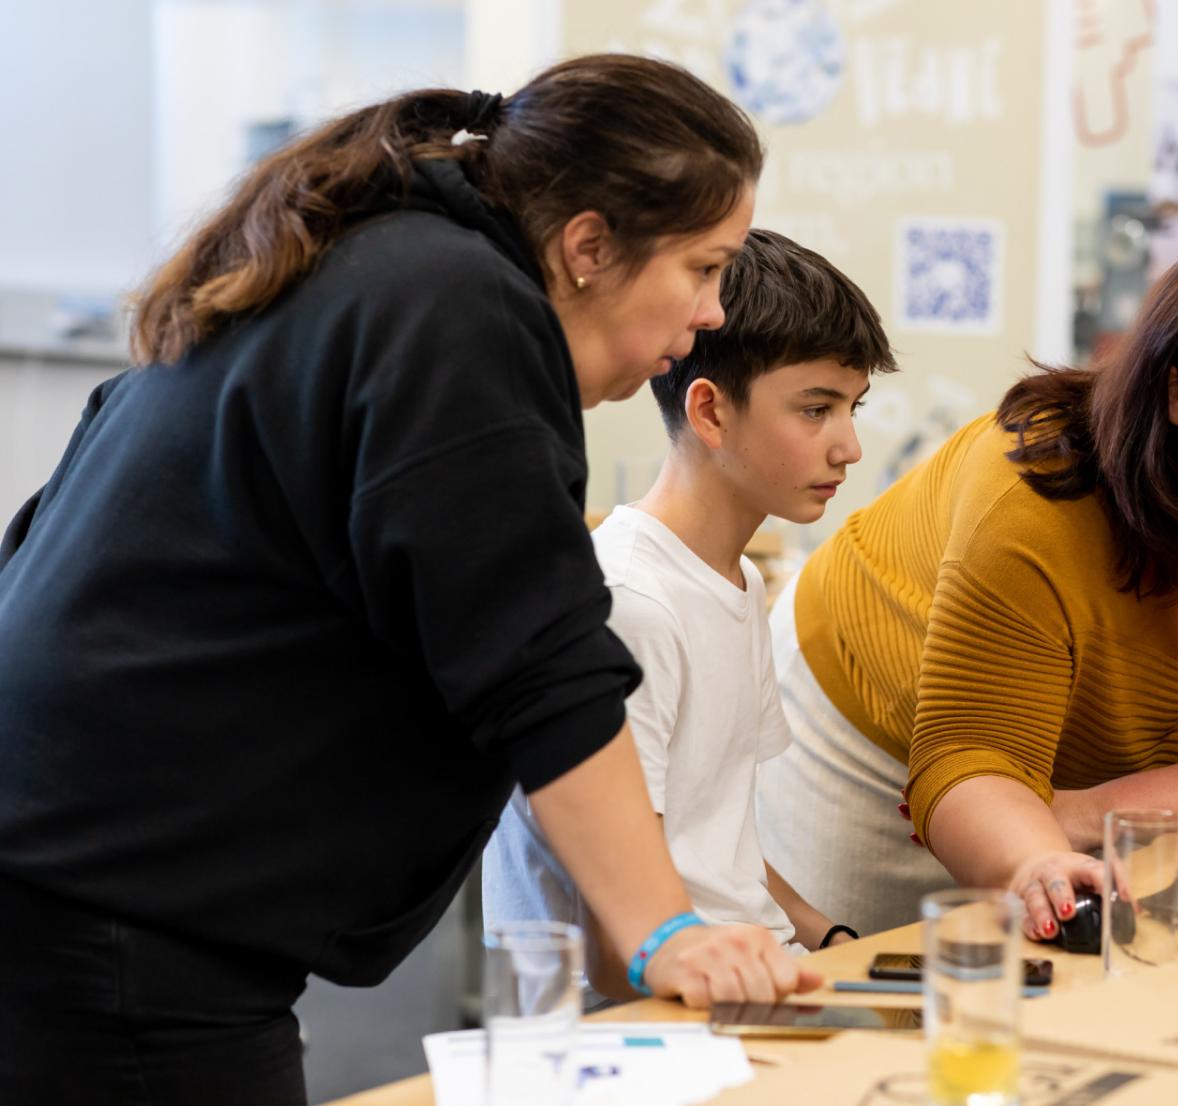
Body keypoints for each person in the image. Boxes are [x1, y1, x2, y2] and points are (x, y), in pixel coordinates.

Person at [0, 55, 819, 1106]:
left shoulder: (372, 264)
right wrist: (665, 930)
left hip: (86, 866)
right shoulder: (455, 306)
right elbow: (541, 659)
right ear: (587, 247)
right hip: (113, 909)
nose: (711, 311)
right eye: (704, 268)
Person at [757, 218, 1178, 937]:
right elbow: (971, 762)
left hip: (1076, 787)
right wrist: (1038, 856)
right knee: (913, 1000)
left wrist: (1077, 814)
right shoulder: (1035, 495)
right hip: (881, 743)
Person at [484, 228, 895, 981]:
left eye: (852, 408)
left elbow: (719, 847)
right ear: (709, 412)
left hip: (748, 971)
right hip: (644, 1017)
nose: (849, 447)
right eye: (815, 409)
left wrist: (831, 937)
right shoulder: (630, 603)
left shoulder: (740, 583)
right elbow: (616, 944)